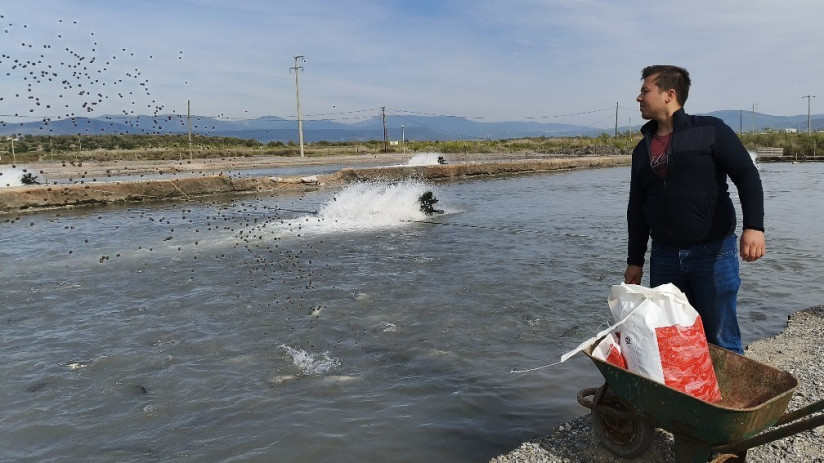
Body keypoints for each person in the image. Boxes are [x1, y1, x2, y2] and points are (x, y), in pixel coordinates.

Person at [623, 65, 765, 354]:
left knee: (721, 338)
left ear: (669, 94)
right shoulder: (642, 149)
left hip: (713, 252)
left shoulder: (710, 131)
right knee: (673, 339)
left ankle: (727, 398)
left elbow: (747, 175)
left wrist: (755, 227)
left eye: (645, 90)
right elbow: (637, 208)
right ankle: (685, 396)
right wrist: (635, 259)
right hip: (664, 256)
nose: (639, 98)